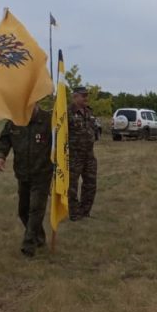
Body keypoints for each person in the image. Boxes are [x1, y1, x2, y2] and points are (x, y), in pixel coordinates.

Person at [0, 100, 54, 256]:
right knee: (23, 211)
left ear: (36, 104)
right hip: (22, 173)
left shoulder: (49, 120)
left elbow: (60, 146)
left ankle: (28, 245)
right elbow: (4, 139)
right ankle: (39, 238)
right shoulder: (15, 120)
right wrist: (1, 156)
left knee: (36, 209)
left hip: (42, 173)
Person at [67, 86, 98, 220]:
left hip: (89, 155)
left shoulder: (89, 112)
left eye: (87, 95)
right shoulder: (67, 112)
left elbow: (93, 129)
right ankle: (74, 213)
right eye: (83, 95)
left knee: (90, 184)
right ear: (75, 97)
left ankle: (85, 212)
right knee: (72, 186)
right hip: (74, 156)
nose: (86, 98)